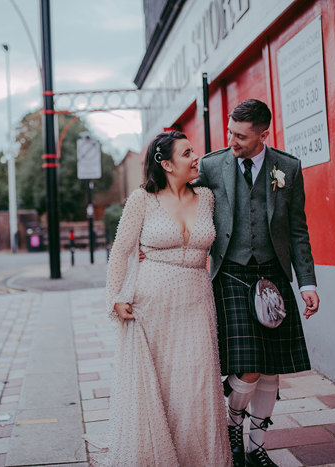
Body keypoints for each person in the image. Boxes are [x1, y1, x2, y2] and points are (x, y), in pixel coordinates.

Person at [195, 99, 320, 467]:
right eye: (230, 132)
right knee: (248, 364)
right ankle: (233, 424)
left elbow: (298, 231)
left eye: (241, 136)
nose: (232, 141)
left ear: (263, 134)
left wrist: (307, 283)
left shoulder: (288, 168)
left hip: (274, 276)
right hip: (231, 275)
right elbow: (183, 204)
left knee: (271, 367)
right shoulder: (212, 165)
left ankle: (256, 447)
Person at [103, 131, 232, 466]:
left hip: (196, 299)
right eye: (187, 153)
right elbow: (121, 252)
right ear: (165, 163)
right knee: (158, 387)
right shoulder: (141, 200)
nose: (196, 158)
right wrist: (116, 297)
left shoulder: (206, 197)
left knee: (196, 386)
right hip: (152, 305)